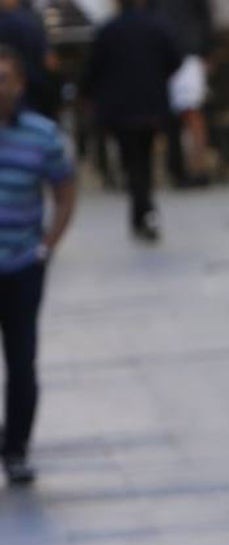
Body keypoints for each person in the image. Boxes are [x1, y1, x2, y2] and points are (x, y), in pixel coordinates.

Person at [0, 44, 75, 484]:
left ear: (20, 84)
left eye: (3, 78)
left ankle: (17, 449)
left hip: (23, 265)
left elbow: (65, 191)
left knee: (21, 359)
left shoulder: (42, 135)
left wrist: (47, 245)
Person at [80, 0, 181, 241]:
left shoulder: (109, 30)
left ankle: (143, 211)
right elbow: (174, 59)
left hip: (121, 109)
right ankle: (144, 211)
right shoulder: (157, 26)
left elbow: (92, 69)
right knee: (141, 160)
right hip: (150, 106)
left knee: (133, 160)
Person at [157, 0, 215, 187]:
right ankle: (184, 167)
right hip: (175, 52)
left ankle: (197, 167)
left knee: (191, 113)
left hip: (184, 52)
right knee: (185, 115)